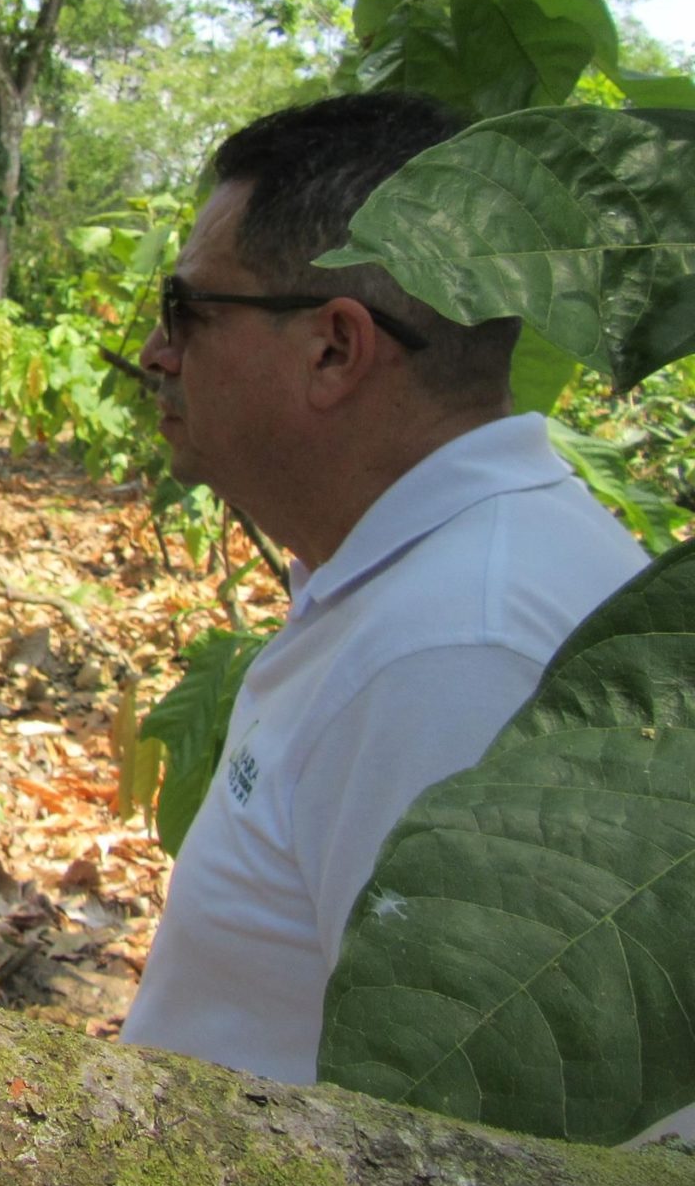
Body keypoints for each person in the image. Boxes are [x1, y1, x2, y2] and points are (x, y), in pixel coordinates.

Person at [120, 92, 649, 1088]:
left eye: (183, 311)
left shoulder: (456, 656)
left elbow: (480, 1151)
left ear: (333, 347)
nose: (156, 354)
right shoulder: (410, 575)